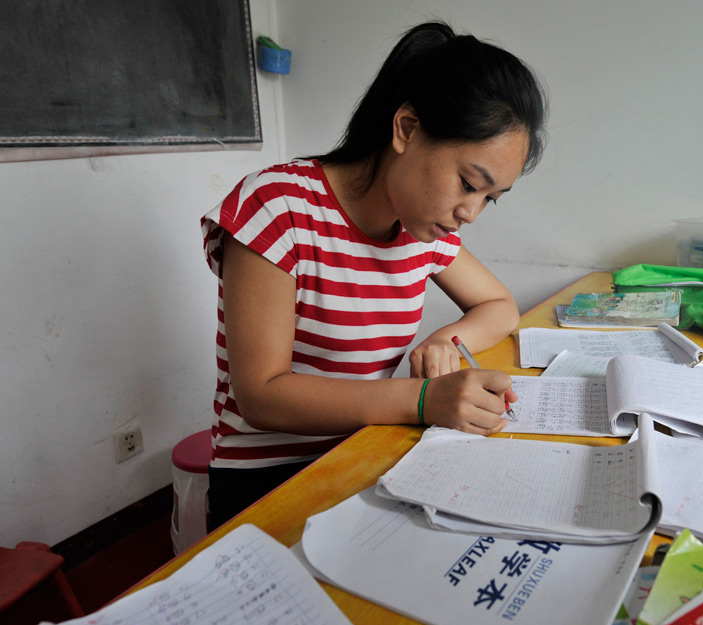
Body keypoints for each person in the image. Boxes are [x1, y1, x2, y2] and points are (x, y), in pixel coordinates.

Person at [200, 21, 546, 529]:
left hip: (369, 446)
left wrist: (445, 341)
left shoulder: (423, 231)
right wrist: (424, 399)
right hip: (268, 478)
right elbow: (263, 396)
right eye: (469, 183)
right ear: (406, 129)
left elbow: (498, 307)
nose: (470, 212)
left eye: (488, 198)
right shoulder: (278, 207)